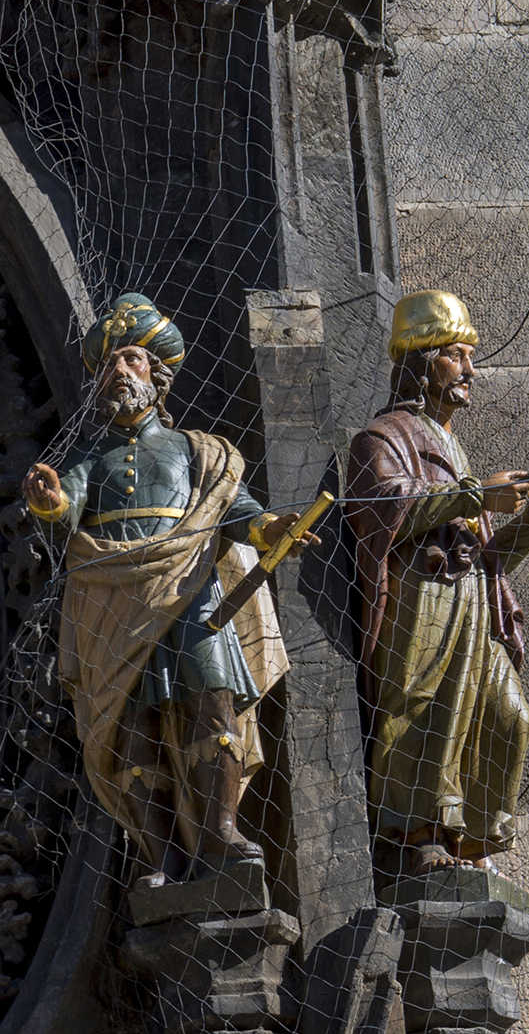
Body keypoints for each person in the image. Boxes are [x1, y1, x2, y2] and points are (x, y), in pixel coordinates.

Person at [21, 294, 316, 889]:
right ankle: (160, 855)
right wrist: (50, 501)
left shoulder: (196, 451)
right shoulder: (86, 456)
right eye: (109, 364)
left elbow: (237, 511)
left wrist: (270, 530)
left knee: (215, 700)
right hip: (113, 599)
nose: (120, 372)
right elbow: (65, 511)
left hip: (193, 594)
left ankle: (221, 831)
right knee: (131, 721)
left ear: (159, 374)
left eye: (131, 359)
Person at [343, 289, 529, 876]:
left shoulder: (455, 446)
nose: (469, 371)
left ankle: (475, 842)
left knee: (510, 717)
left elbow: (490, 557)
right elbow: (381, 504)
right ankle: (414, 835)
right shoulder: (383, 436)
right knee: (421, 710)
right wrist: (472, 495)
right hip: (421, 601)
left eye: (469, 356)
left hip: (472, 604)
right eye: (455, 355)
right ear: (419, 361)